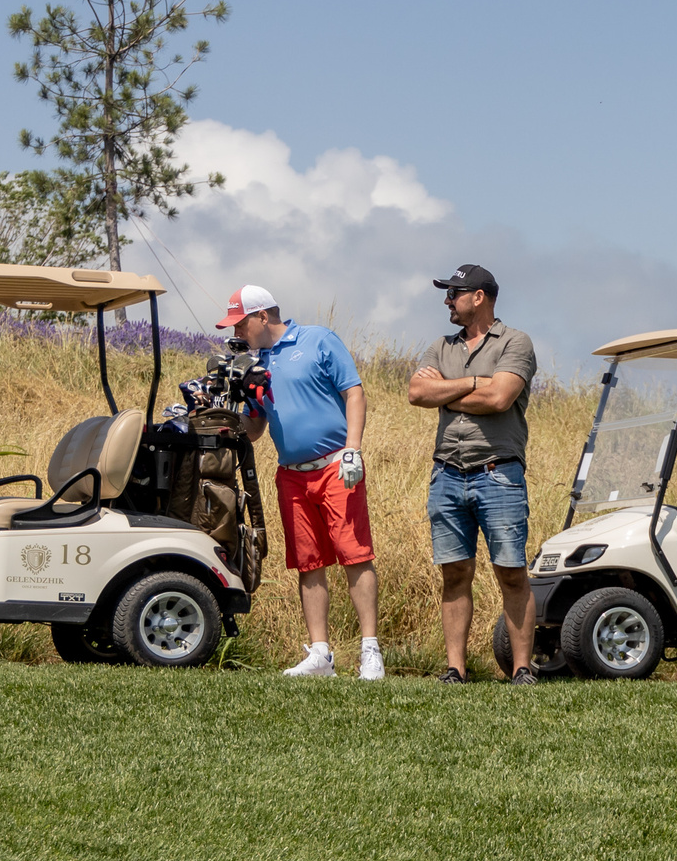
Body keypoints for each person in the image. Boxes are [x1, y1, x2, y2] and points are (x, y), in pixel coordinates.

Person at [219, 284, 382, 680]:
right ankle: (321, 655)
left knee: (354, 554)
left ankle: (370, 651)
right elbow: (256, 427)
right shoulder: (255, 365)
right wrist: (226, 417)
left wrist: (353, 448)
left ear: (262, 316)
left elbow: (354, 393)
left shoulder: (317, 340)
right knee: (308, 562)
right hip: (292, 475)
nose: (237, 334)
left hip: (336, 466)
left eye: (240, 324)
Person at [408, 264, 539, 684]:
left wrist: (448, 391)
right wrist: (474, 382)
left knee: (511, 571)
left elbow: (500, 397)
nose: (447, 301)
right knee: (455, 572)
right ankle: (455, 670)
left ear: (478, 296)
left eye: (453, 294)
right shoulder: (440, 346)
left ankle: (521, 670)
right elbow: (417, 393)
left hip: (497, 473)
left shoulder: (516, 342)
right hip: (447, 473)